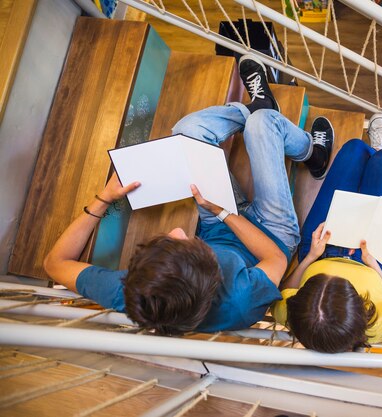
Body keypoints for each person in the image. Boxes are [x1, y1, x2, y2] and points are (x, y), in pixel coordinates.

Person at [44, 54, 335, 335]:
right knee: (264, 125)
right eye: (183, 245)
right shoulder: (239, 303)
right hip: (272, 236)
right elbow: (275, 259)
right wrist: (222, 212)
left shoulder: (145, 295)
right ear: (210, 275)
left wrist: (104, 198)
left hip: (218, 225)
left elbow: (55, 264)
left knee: (187, 132)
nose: (177, 231)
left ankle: (251, 109)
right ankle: (313, 153)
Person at [272, 119, 382, 353]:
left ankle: (377, 180)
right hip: (369, 259)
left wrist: (310, 259)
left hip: (320, 250)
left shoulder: (290, 313)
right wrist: (374, 266)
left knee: (354, 149)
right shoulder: (379, 327)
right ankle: (381, 180)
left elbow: (286, 289)